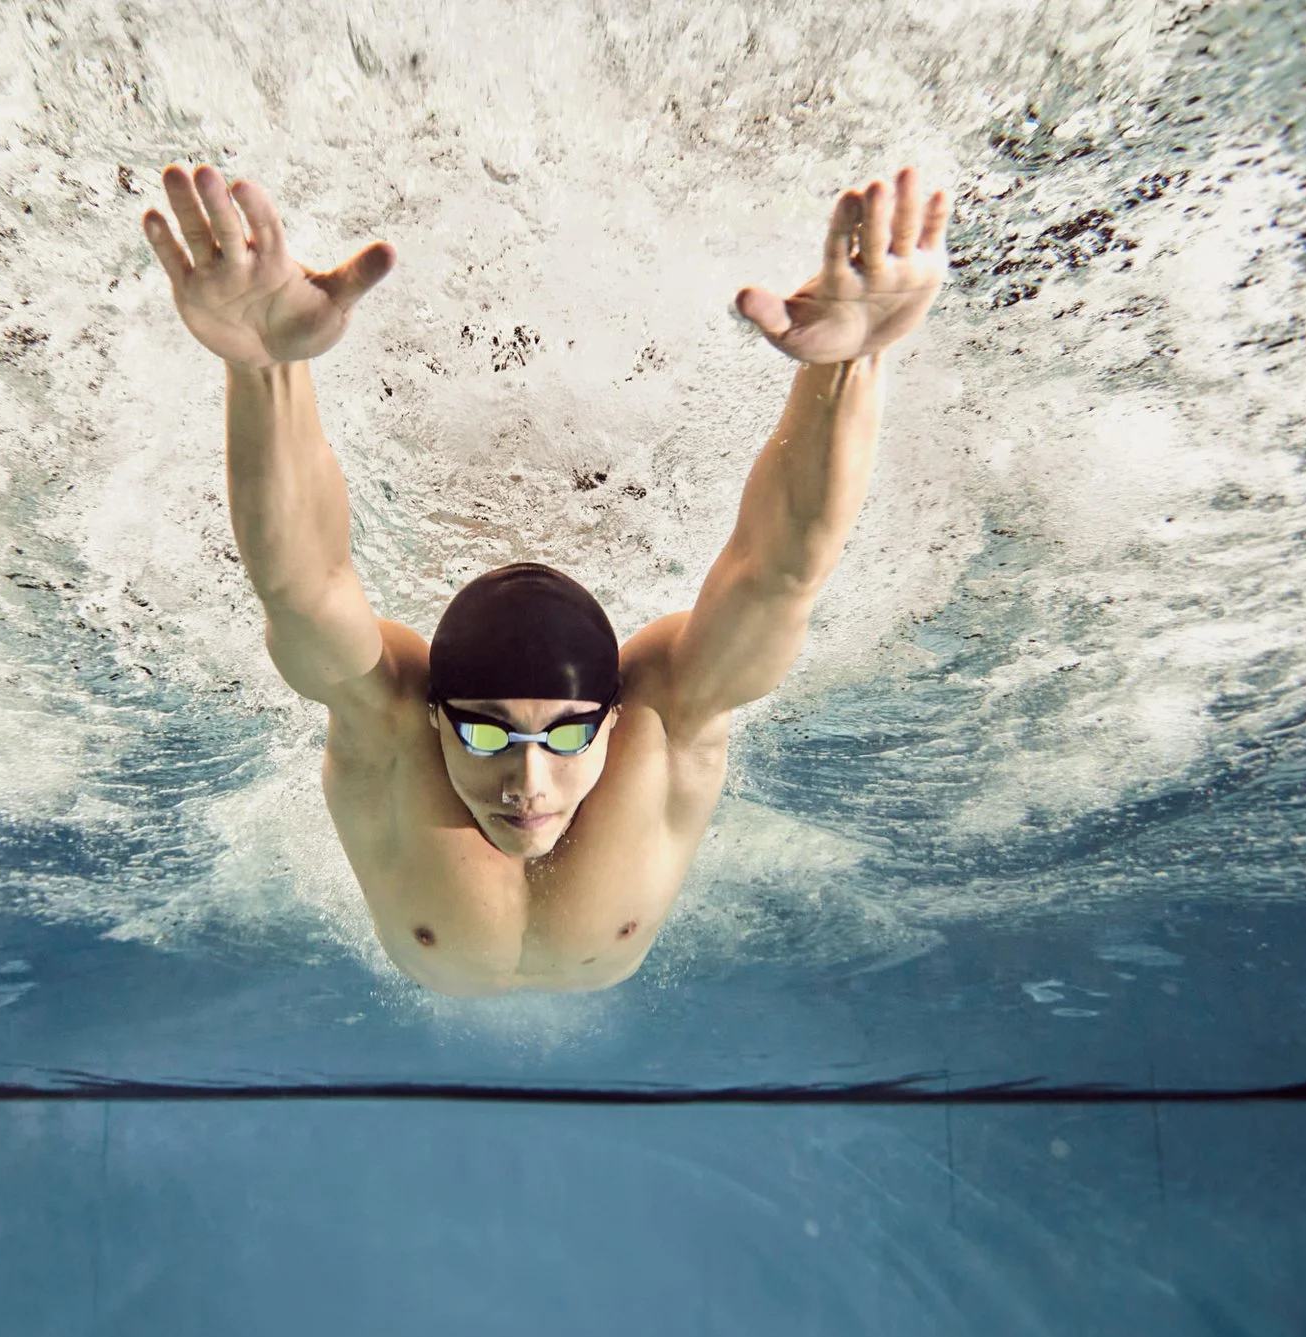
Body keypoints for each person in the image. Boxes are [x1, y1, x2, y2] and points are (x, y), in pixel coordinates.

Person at [142, 162, 946, 996]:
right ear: (437, 716)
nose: (528, 785)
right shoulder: (384, 723)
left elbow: (781, 572)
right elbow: (299, 586)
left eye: (565, 735)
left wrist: (853, 366)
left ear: (610, 718)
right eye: (486, 733)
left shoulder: (669, 719)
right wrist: (266, 372)